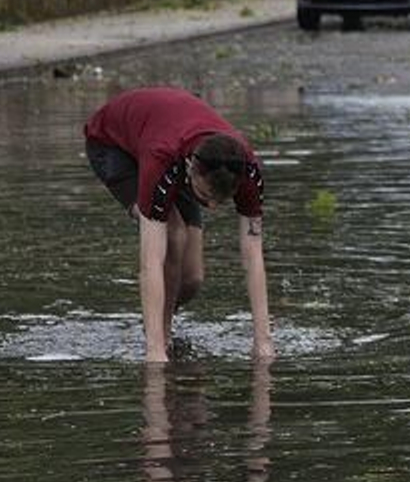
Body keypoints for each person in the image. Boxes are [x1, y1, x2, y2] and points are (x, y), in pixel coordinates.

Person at [83, 87, 275, 364]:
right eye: (206, 198)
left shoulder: (247, 169)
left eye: (221, 201)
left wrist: (263, 341)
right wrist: (155, 352)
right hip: (114, 144)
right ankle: (159, 338)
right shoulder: (163, 156)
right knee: (174, 235)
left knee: (192, 279)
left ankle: (160, 326)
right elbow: (151, 262)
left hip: (177, 146)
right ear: (190, 170)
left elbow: (253, 254)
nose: (210, 208)